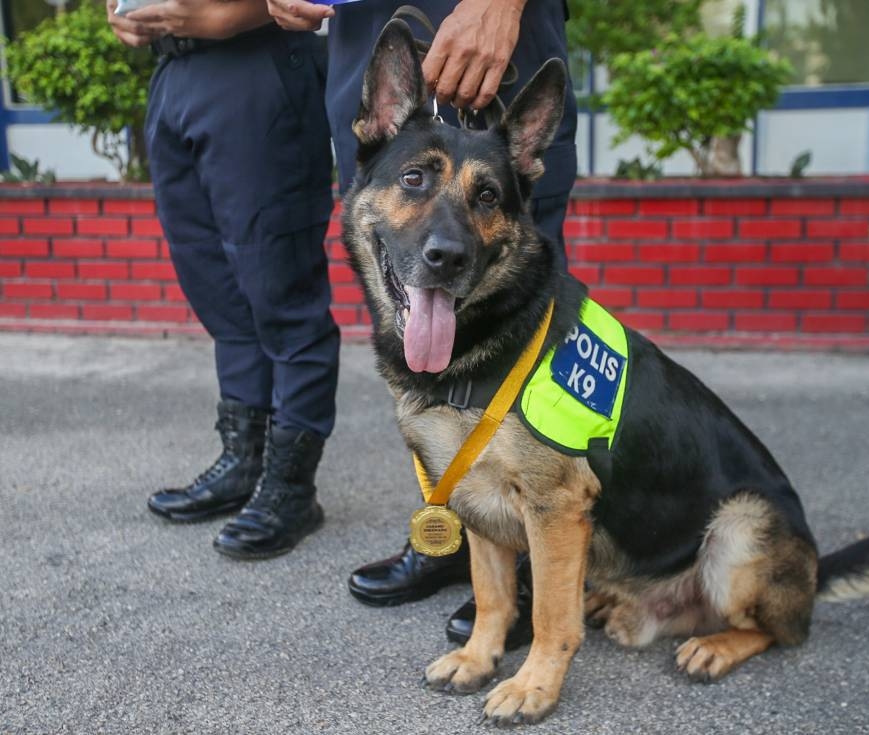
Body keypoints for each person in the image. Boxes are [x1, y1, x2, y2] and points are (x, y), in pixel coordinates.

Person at [266, 0, 578, 645]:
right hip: (364, 33)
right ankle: (449, 532)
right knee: (413, 285)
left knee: (519, 328)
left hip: (496, 34)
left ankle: (533, 561)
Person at [107, 0, 340, 560]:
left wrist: (234, 13)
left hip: (256, 69)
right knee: (217, 288)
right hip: (173, 76)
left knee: (280, 287)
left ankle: (290, 488)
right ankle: (243, 464)